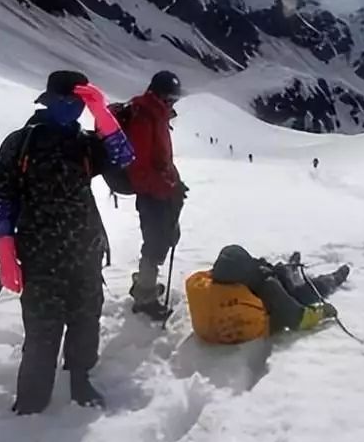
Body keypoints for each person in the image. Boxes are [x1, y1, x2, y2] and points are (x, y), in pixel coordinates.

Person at [0, 70, 114, 412]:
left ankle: (80, 379)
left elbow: (124, 158)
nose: (72, 109)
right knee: (43, 326)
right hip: (40, 252)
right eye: (65, 101)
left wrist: (102, 113)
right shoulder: (22, 142)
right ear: (49, 101)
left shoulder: (86, 143)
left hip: (85, 248)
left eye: (79, 103)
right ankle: (31, 396)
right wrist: (5, 247)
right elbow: (1, 193)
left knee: (86, 318)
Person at [186, 245, 349, 344]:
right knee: (296, 293)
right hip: (265, 321)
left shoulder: (202, 284)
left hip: (209, 334)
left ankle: (288, 270)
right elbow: (298, 319)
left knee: (277, 277)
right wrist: (322, 313)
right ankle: (330, 280)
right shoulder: (265, 288)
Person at [122, 70, 186, 321]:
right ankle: (144, 297)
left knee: (166, 237)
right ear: (158, 94)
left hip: (160, 189)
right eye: (170, 98)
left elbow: (161, 159)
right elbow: (140, 169)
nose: (173, 103)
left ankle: (143, 284)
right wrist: (168, 187)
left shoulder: (157, 115)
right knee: (156, 243)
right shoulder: (144, 118)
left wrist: (175, 181)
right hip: (151, 193)